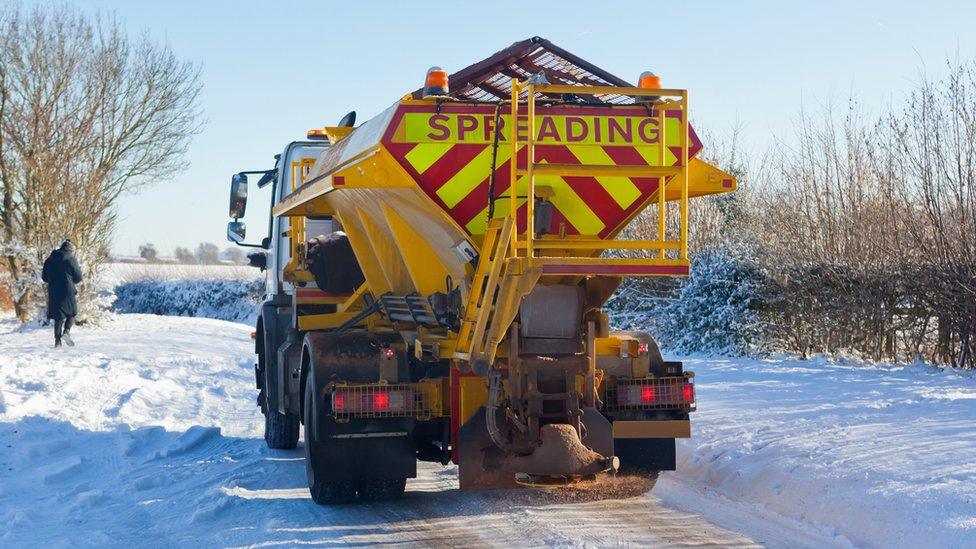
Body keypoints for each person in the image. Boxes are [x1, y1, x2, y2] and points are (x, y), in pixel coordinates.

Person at [42, 240, 83, 348]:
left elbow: (44, 278)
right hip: (67, 291)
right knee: (72, 313)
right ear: (70, 249)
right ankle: (66, 331)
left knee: (58, 317)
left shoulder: (49, 260)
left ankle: (57, 342)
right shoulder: (71, 259)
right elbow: (79, 277)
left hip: (54, 291)